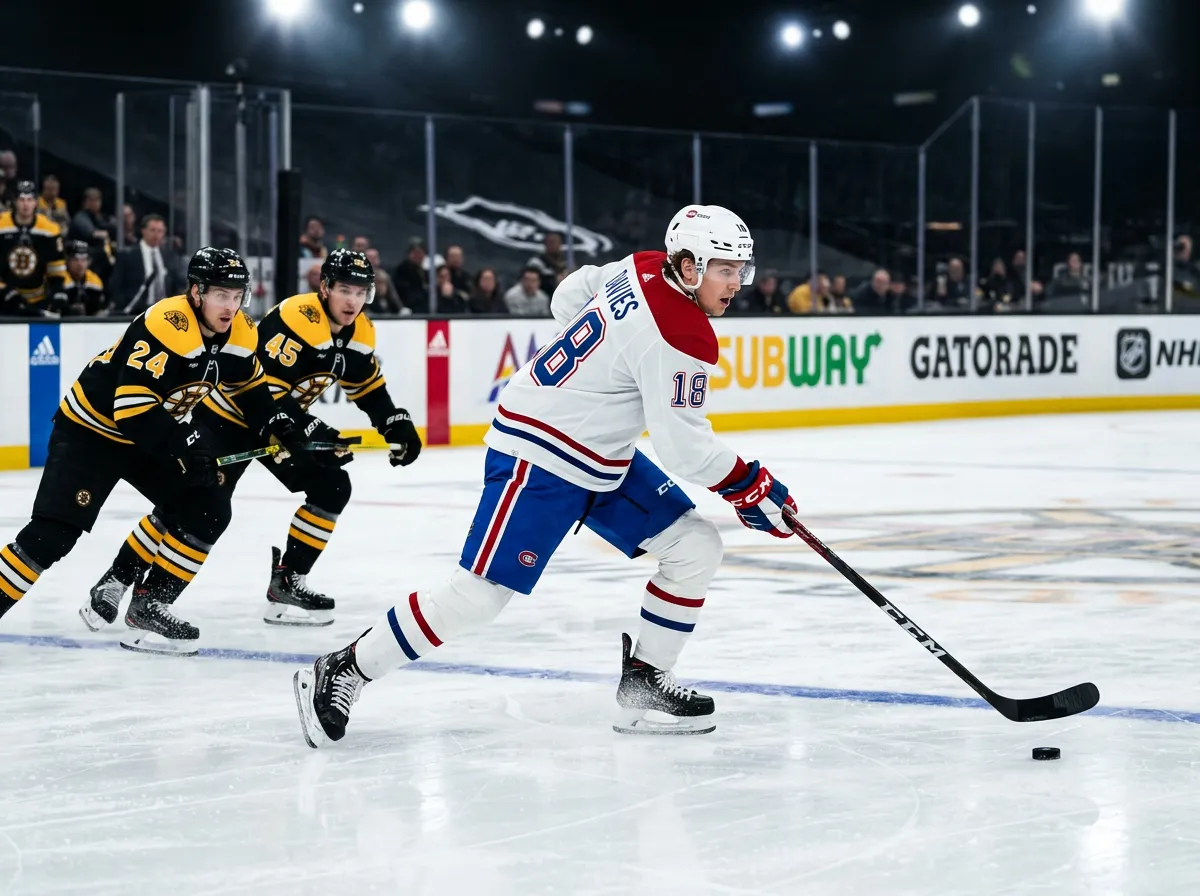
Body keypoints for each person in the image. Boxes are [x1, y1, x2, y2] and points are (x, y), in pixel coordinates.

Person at [293, 205, 797, 747]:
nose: (737, 284)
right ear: (690, 265)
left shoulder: (646, 264)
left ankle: (645, 680)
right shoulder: (681, 332)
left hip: (601, 455)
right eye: (726, 270)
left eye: (741, 270)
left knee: (695, 546)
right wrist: (750, 484)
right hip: (540, 454)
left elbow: (569, 295)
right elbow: (682, 446)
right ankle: (347, 667)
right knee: (480, 596)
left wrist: (600, 369)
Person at [0, 248, 322, 655]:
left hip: (146, 434)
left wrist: (279, 426)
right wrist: (187, 443)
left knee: (207, 506)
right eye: (221, 295)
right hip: (91, 433)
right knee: (51, 538)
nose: (231, 306)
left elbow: (251, 389)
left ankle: (149, 606)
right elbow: (130, 409)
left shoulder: (240, 332)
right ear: (196, 292)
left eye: (238, 295)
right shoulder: (167, 324)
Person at [81, 249, 424, 631]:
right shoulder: (298, 319)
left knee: (331, 485)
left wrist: (394, 422)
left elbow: (367, 386)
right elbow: (264, 395)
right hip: (227, 421)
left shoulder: (361, 331)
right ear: (324, 287)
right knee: (193, 505)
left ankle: (287, 582)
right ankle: (119, 579)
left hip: (279, 427)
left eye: (361, 292)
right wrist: (310, 428)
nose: (353, 301)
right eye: (345, 289)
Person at [0, 180, 67, 316]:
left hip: (38, 299)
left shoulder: (50, 230)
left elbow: (56, 268)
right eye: (22, 199)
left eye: (30, 200)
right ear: (15, 202)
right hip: (4, 299)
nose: (26, 204)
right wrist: (4, 291)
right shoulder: (1, 225)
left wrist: (58, 290)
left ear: (36, 202)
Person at [56, 239, 107, 316]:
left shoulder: (94, 282)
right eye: (76, 259)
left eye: (84, 259)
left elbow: (97, 311)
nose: (80, 264)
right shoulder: (58, 279)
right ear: (67, 260)